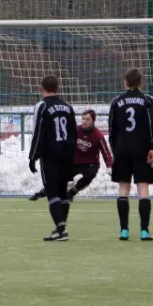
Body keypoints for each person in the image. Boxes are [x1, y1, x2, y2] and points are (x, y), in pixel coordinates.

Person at [108, 68, 153, 241]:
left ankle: (124, 230)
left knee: (123, 188)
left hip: (122, 149)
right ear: (140, 83)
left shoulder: (116, 101)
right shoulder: (147, 100)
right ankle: (144, 231)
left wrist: (114, 150)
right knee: (143, 187)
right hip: (141, 149)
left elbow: (112, 129)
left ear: (126, 82)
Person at [29, 75, 77, 241]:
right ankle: (62, 227)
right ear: (58, 88)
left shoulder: (41, 106)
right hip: (66, 154)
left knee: (52, 191)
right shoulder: (68, 107)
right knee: (63, 191)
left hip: (49, 154)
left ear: (42, 89)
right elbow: (73, 134)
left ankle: (60, 229)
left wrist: (32, 157)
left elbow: (37, 132)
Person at [29, 109, 113, 201]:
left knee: (90, 174)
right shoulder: (75, 130)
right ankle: (41, 193)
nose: (85, 121)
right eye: (83, 119)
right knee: (59, 180)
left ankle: (71, 193)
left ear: (93, 121)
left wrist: (109, 166)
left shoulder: (98, 136)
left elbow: (106, 152)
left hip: (90, 163)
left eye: (88, 119)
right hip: (74, 161)